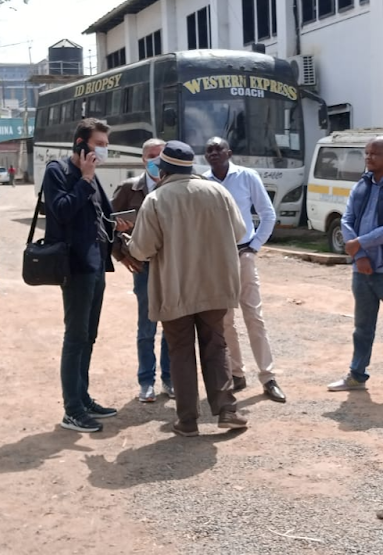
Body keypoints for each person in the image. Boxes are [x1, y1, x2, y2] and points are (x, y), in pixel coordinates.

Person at [126, 140, 248, 437]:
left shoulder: (156, 199)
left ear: (163, 168)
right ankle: (227, 410)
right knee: (215, 346)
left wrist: (126, 241)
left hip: (175, 288)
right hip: (215, 285)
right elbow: (241, 232)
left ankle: (188, 420)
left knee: (180, 351)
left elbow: (141, 250)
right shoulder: (218, 192)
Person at [326, 136, 383, 403]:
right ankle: (356, 375)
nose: (368, 158)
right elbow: (347, 219)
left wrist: (359, 244)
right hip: (362, 269)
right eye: (366, 153)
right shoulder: (362, 185)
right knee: (362, 327)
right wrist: (361, 255)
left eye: (374, 154)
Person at [43, 118, 118, 433]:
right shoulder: (58, 172)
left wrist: (120, 226)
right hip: (74, 266)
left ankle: (83, 398)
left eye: (105, 144)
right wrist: (85, 179)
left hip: (97, 264)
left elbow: (102, 214)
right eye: (98, 143)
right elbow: (60, 210)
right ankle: (71, 409)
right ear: (80, 143)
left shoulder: (93, 177)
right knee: (74, 338)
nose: (102, 149)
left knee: (89, 336)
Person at [202, 137, 287, 403]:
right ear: (205, 156)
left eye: (219, 149)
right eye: (209, 150)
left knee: (254, 317)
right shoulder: (203, 182)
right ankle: (237, 374)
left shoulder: (247, 176)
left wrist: (254, 246)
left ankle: (268, 377)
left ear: (229, 152)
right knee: (225, 321)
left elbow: (267, 213)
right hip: (217, 260)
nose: (214, 153)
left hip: (243, 254)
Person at [111, 138, 173, 403]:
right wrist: (121, 255)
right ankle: (145, 382)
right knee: (147, 327)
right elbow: (105, 225)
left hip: (171, 266)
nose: (155, 160)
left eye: (160, 155)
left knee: (172, 326)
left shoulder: (175, 188)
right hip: (143, 266)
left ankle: (169, 380)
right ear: (142, 159)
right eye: (151, 156)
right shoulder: (129, 189)